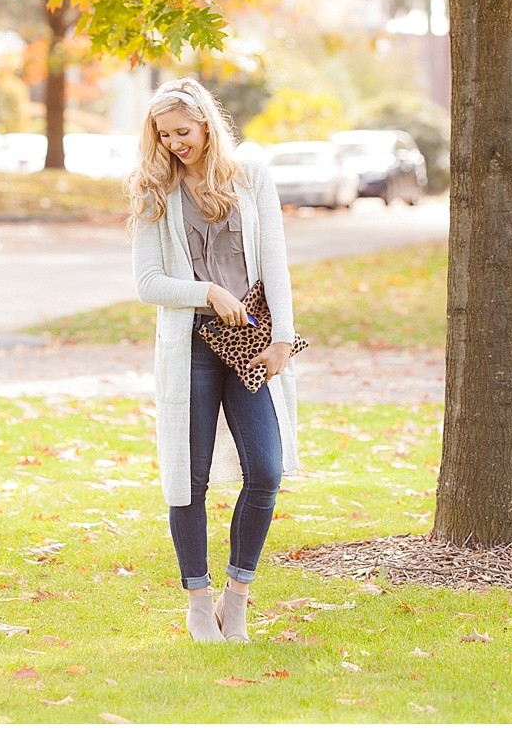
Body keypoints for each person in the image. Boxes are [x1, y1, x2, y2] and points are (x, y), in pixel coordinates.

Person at [127, 77, 299, 643]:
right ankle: (198, 601)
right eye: (165, 134)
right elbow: (149, 282)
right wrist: (207, 294)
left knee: (266, 470)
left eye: (184, 131)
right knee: (189, 477)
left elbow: (275, 260)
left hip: (251, 342)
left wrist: (284, 339)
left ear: (207, 123)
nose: (176, 143)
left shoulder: (250, 174)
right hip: (191, 347)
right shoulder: (155, 190)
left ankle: (237, 596)